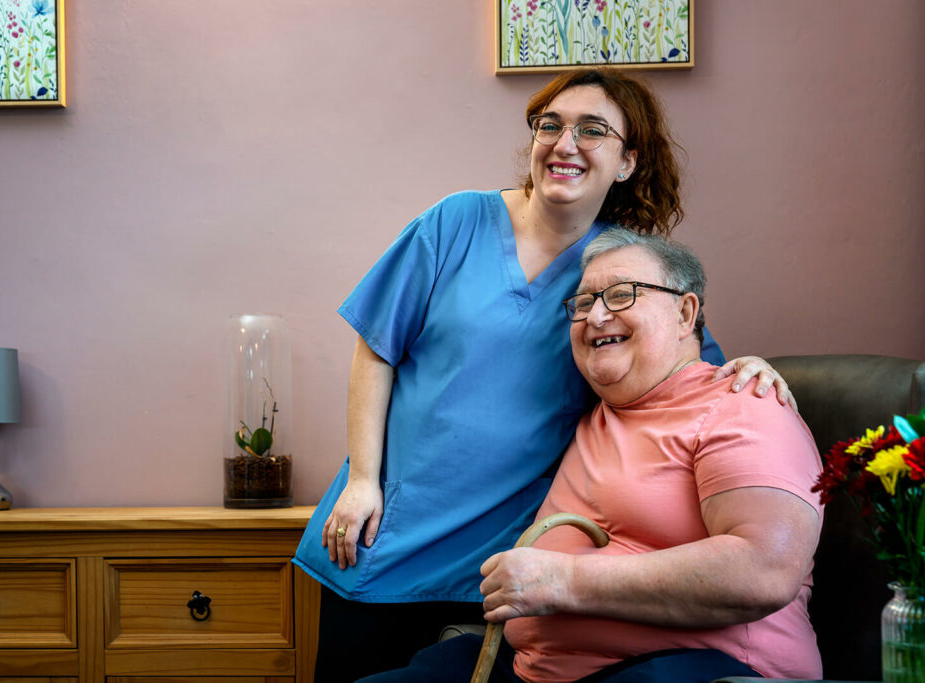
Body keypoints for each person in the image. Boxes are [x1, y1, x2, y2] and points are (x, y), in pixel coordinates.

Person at [292, 67, 795, 681]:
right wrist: (363, 479)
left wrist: (752, 367)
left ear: (628, 162)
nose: (565, 143)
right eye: (550, 125)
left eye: (592, 130)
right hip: (381, 536)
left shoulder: (616, 269)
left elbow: (682, 370)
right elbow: (377, 349)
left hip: (496, 564)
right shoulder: (455, 223)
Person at [357, 229, 823, 683]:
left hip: (698, 667)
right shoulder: (589, 410)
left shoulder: (744, 405)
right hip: (527, 665)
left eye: (622, 294)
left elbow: (764, 570)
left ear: (685, 313)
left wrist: (562, 582)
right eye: (582, 304)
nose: (596, 317)